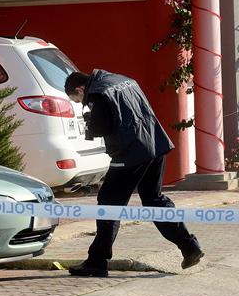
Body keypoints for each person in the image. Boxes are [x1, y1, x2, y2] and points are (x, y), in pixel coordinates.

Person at [64, 69, 204, 277]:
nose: (81, 103)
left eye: (78, 100)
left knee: (108, 203)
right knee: (154, 199)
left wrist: (90, 122)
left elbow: (102, 127)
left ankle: (97, 262)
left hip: (130, 152)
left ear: (80, 89)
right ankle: (189, 247)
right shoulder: (122, 79)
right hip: (156, 144)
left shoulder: (96, 93)